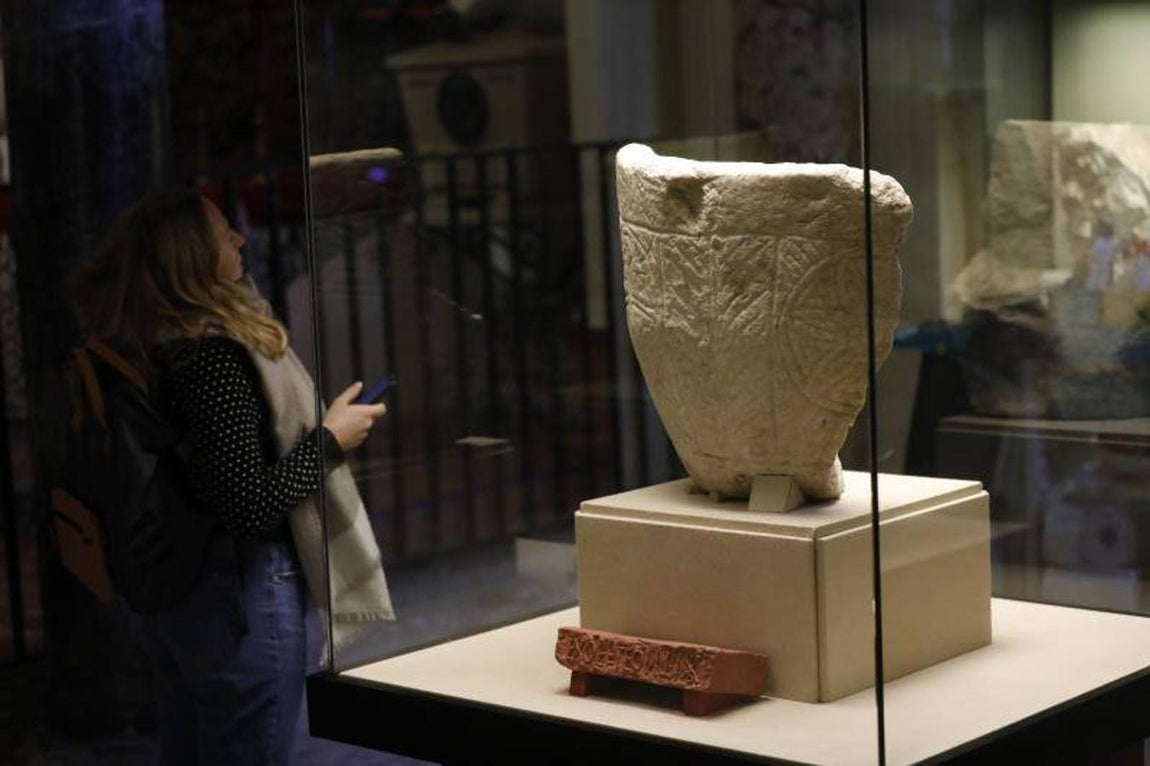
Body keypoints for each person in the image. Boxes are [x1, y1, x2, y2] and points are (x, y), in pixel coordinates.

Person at [64, 186, 392, 765]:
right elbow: (247, 506)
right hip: (238, 596)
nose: (239, 239)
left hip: (176, 588)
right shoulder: (209, 356)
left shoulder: (143, 340)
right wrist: (331, 441)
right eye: (222, 235)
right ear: (191, 258)